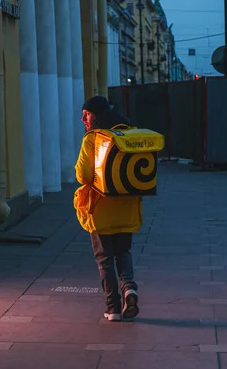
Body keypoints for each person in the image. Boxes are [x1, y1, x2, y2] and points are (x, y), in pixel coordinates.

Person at [74, 96, 142, 322]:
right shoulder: (130, 134)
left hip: (101, 209)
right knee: (123, 252)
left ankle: (113, 308)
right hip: (126, 206)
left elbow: (83, 175)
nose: (84, 119)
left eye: (87, 115)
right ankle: (129, 289)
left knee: (105, 259)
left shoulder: (93, 138)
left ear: (97, 115)